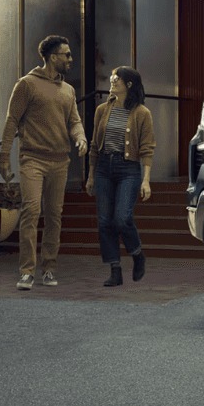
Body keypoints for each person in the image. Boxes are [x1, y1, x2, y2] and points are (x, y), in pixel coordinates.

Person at [0, 35, 87, 290]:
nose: (71, 59)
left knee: (54, 216)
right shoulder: (26, 85)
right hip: (33, 159)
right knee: (31, 210)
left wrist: (80, 138)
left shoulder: (68, 90)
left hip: (60, 161)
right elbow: (11, 120)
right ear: (52, 57)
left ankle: (49, 268)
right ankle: (27, 271)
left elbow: (74, 121)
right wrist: (4, 156)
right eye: (66, 54)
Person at [85, 66, 154, 287]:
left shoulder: (142, 113)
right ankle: (115, 269)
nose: (112, 81)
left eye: (117, 79)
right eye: (112, 78)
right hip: (104, 168)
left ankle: (137, 254)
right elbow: (95, 145)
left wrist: (146, 180)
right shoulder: (102, 110)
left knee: (122, 218)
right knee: (104, 220)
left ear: (129, 85)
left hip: (129, 170)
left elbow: (147, 148)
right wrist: (91, 176)